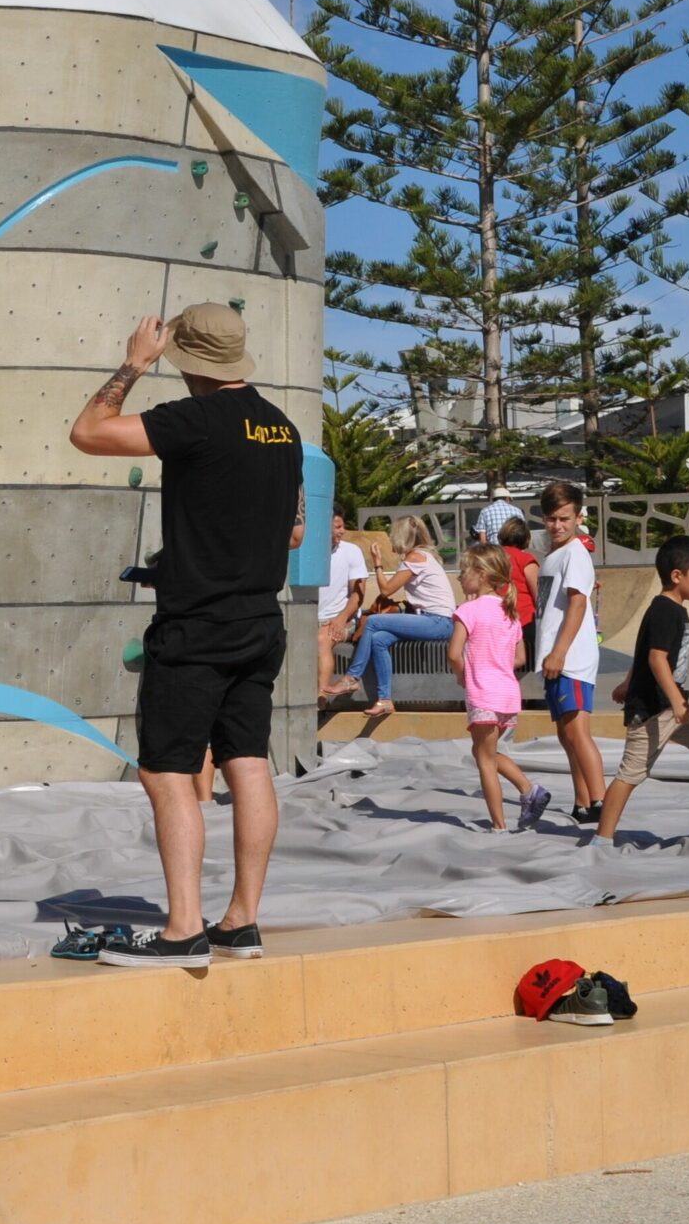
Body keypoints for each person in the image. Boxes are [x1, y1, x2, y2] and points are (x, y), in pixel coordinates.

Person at [68, 304, 301, 968]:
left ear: (185, 359)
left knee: (167, 772)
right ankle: (241, 921)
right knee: (248, 762)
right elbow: (294, 529)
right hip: (262, 619)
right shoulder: (279, 428)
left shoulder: (192, 419)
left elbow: (89, 432)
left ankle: (183, 929)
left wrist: (133, 364)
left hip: (198, 624)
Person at [597, 535, 689, 845]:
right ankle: (602, 839)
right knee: (630, 775)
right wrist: (675, 700)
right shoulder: (664, 610)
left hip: (673, 708)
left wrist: (628, 681)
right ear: (677, 576)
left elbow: (647, 651)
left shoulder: (673, 609)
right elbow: (656, 657)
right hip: (653, 711)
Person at [448, 544, 545, 832]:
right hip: (508, 695)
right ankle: (529, 790)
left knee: (485, 762)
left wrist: (463, 675)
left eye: (464, 572)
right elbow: (520, 658)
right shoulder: (510, 614)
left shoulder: (468, 610)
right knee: (485, 752)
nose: (459, 578)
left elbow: (454, 654)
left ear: (480, 574)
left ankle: (500, 822)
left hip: (483, 693)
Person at [329, 515, 457, 717]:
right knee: (379, 639)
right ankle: (385, 700)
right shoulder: (423, 556)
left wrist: (378, 564)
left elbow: (387, 590)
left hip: (437, 621)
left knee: (372, 621)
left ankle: (351, 678)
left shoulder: (415, 558)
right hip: (434, 620)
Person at [535, 482, 607, 825]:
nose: (558, 525)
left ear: (578, 517)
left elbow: (578, 602)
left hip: (571, 659)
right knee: (566, 736)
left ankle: (601, 802)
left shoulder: (576, 552)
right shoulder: (554, 555)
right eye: (551, 519)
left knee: (578, 733)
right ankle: (582, 800)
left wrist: (560, 652)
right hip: (554, 658)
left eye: (564, 518)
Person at [317, 509, 372, 705]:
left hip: (343, 619)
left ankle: (321, 698)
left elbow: (359, 594)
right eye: (338, 527)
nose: (343, 531)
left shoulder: (351, 551)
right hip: (314, 619)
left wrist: (341, 618)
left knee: (322, 639)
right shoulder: (311, 553)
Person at [497, 514, 541, 686]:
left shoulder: (492, 558)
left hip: (498, 622)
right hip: (524, 622)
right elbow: (539, 595)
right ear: (526, 538)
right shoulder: (526, 560)